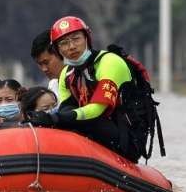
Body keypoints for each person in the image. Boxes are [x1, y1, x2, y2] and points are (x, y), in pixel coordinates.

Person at [27, 15, 137, 160]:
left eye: (76, 39)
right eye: (64, 43)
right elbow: (66, 109)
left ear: (87, 39)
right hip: (96, 131)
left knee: (73, 120)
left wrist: (54, 118)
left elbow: (96, 110)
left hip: (126, 138)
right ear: (58, 49)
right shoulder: (66, 74)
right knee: (64, 121)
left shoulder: (109, 62)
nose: (71, 46)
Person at [30, 30, 64, 97]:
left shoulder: (81, 78)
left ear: (60, 52)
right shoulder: (53, 86)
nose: (44, 69)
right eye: (40, 64)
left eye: (46, 62)